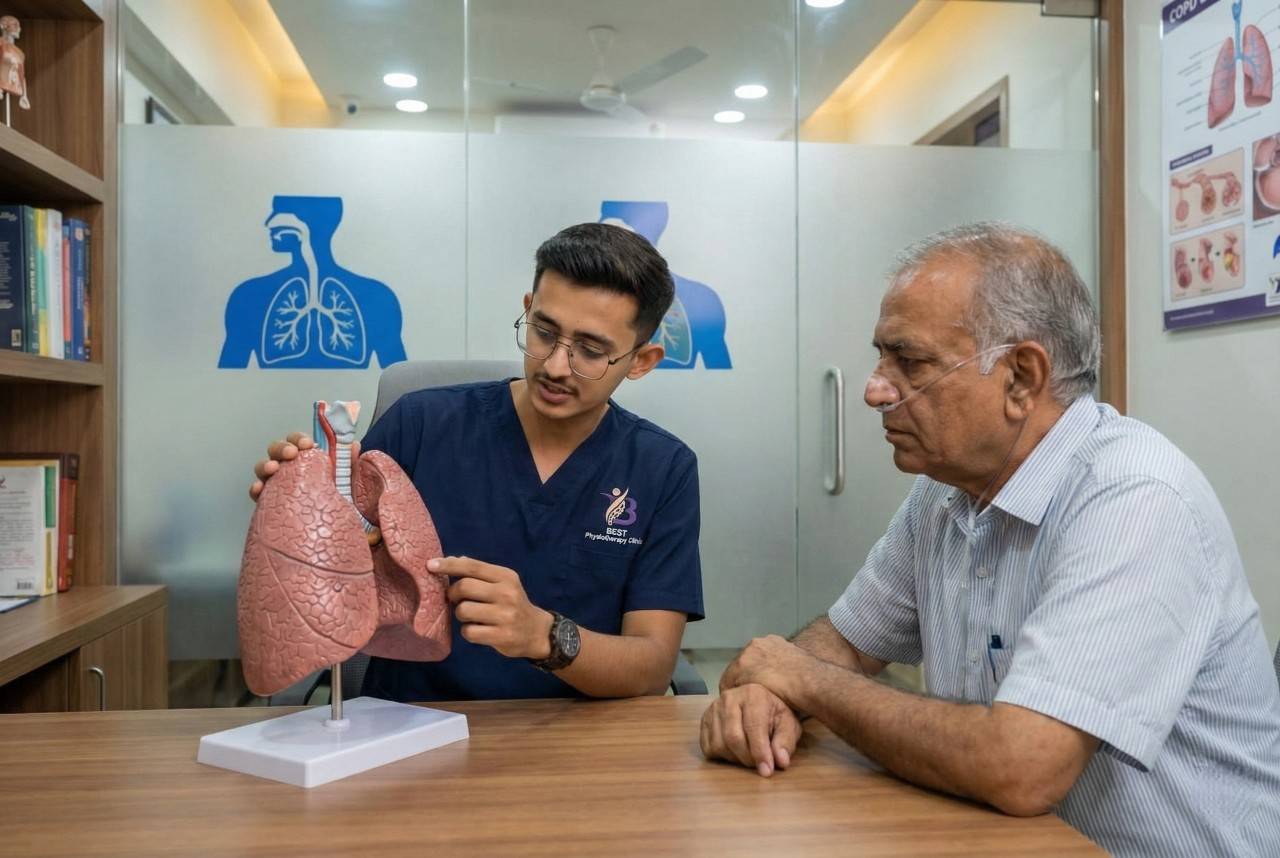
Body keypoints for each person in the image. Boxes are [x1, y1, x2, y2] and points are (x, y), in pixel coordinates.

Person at [700, 222, 1280, 857]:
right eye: (882, 358)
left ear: (1021, 379)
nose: (874, 389)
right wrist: (767, 692)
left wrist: (801, 679)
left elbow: (1021, 767)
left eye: (910, 362)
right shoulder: (946, 491)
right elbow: (845, 642)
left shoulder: (1135, 499)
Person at [250, 222, 703, 701]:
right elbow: (339, 560)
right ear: (527, 310)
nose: (554, 366)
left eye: (591, 351)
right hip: (410, 722)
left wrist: (544, 636)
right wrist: (300, 516)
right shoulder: (420, 425)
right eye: (544, 332)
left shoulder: (662, 468)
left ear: (641, 361)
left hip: (573, 733)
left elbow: (652, 666)